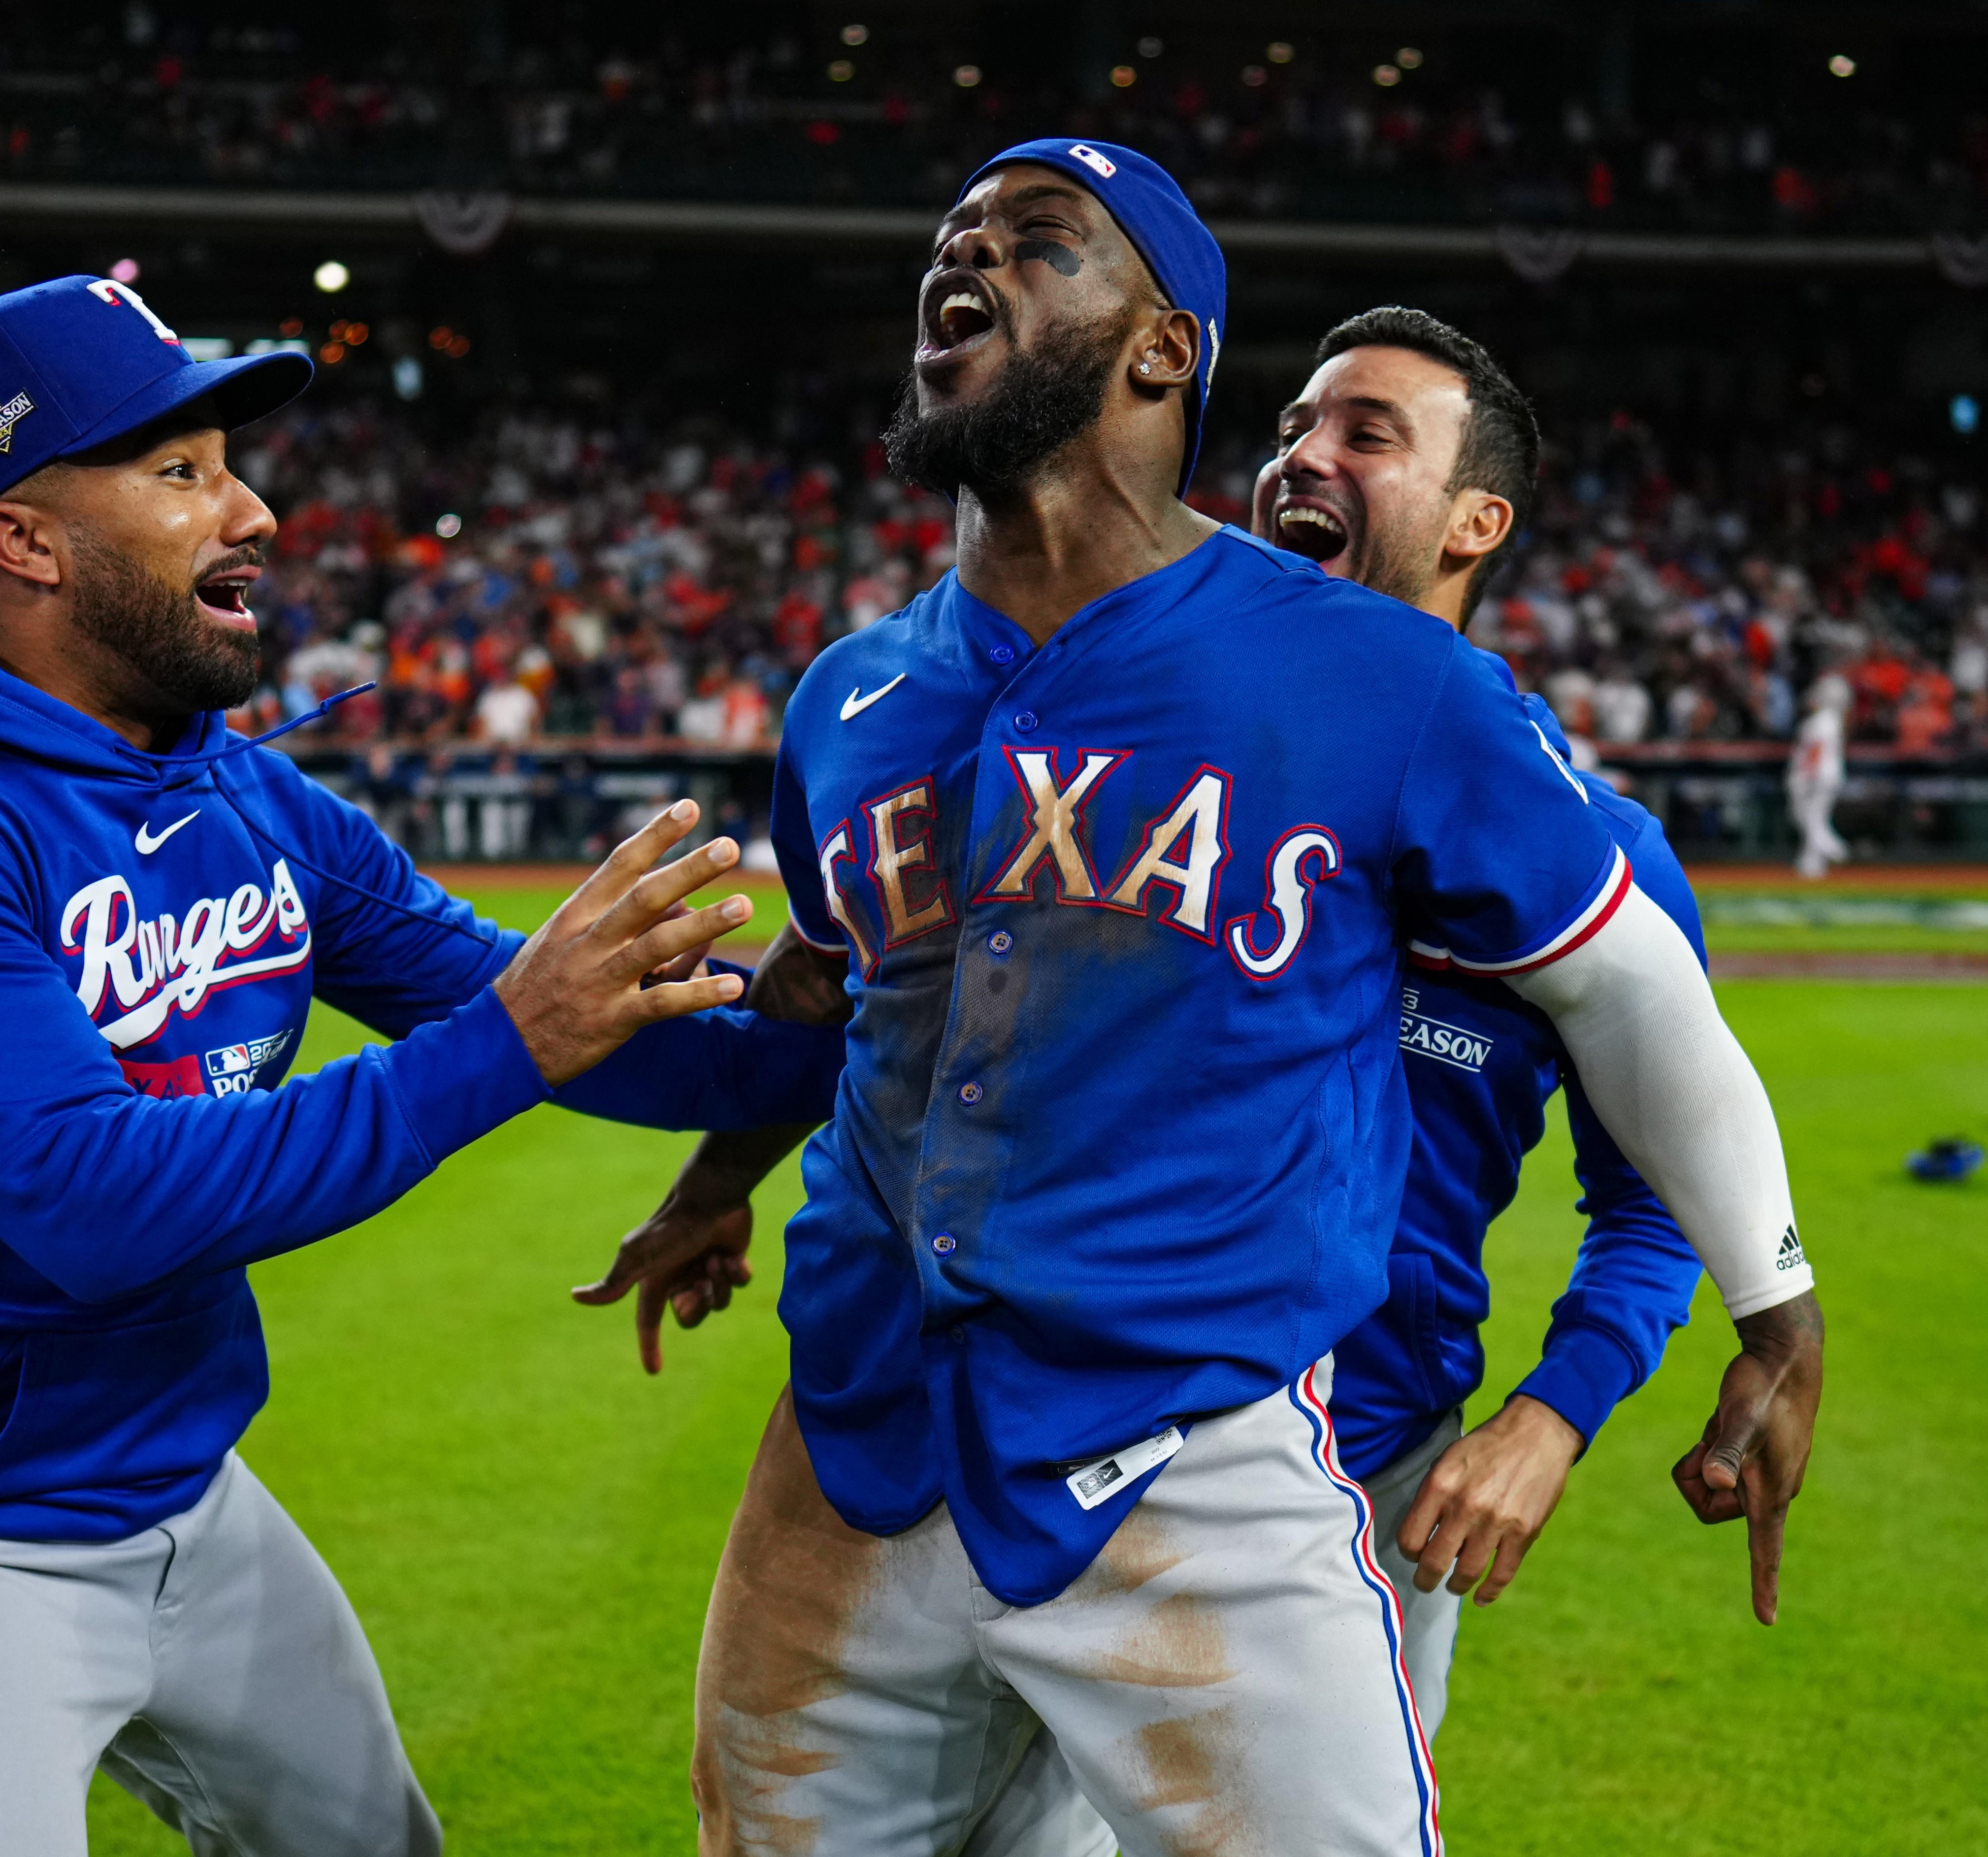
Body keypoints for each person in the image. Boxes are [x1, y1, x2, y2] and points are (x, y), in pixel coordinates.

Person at [578, 142, 1823, 1855]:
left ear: (1161, 349)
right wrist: (715, 1180)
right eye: (953, 242)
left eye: (1036, 244)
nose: (970, 264)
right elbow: (851, 997)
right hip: (850, 1447)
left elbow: (1633, 1002)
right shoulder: (846, 697)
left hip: (1200, 1453)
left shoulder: (1388, 681)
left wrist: (1774, 1312)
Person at [0, 277, 846, 1857]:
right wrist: (516, 1035)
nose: (250, 504)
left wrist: (839, 1013)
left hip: (183, 1486)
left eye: (228, 460)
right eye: (179, 471)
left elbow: (562, 1019)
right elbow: (94, 1198)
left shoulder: (234, 786)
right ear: (23, 538)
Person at [1244, 304, 1713, 1741]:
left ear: (1474, 522)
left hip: (1369, 1481)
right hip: (1072, 1444)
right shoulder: (1154, 766)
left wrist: (1551, 1411)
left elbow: (1666, 1193)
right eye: (1288, 430)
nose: (1300, 456)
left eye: (1364, 434)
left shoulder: (1592, 857)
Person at [1790, 672, 1852, 878]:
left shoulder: (1825, 720)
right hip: (1825, 775)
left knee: (1812, 819)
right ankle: (1811, 865)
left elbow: (1816, 750)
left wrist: (1806, 775)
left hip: (1818, 776)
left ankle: (1838, 850)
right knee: (1813, 819)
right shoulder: (1830, 719)